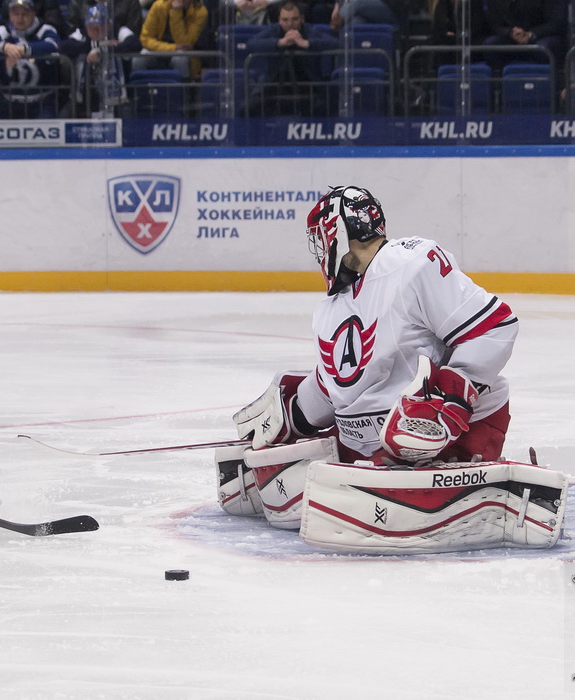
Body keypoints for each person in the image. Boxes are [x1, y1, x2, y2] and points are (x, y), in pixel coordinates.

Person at [221, 185, 522, 543]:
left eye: (322, 237)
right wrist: (292, 412)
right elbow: (341, 384)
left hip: (445, 436)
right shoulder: (330, 308)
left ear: (340, 230)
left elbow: (494, 327)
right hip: (372, 450)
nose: (320, 249)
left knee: (405, 436)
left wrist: (450, 393)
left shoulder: (412, 263)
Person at [246, 0, 338, 116]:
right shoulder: (273, 30)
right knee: (248, 108)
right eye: (285, 20)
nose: (290, 24)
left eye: (295, 19)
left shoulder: (310, 30)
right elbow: (251, 44)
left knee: (326, 106)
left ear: (302, 19)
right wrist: (279, 42)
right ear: (279, 20)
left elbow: (335, 43)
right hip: (274, 83)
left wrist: (307, 43)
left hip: (308, 85)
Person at [0, 0, 62, 118]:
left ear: (33, 14)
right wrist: (4, 47)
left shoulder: (45, 30)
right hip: (7, 101)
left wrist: (25, 49)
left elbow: (53, 45)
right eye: (16, 14)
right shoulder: (3, 31)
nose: (20, 18)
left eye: (24, 14)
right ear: (9, 15)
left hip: (42, 100)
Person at [61, 4, 139, 116]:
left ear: (109, 24)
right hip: (84, 96)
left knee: (127, 121)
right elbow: (64, 47)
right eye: (90, 27)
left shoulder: (120, 30)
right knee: (64, 115)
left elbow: (135, 44)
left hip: (119, 99)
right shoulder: (82, 34)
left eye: (99, 26)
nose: (95, 31)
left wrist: (106, 50)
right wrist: (93, 47)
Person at [136, 0, 208, 80]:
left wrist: (176, 12)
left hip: (183, 55)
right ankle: (139, 91)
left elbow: (184, 43)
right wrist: (173, 47)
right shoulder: (159, 6)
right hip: (157, 51)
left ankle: (184, 91)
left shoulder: (200, 12)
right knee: (138, 59)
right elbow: (145, 39)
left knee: (180, 58)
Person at [483, 0, 567, 68]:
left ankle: (546, 83)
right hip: (510, 37)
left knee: (544, 48)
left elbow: (556, 23)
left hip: (541, 36)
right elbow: (494, 24)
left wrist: (530, 34)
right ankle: (499, 85)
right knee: (490, 45)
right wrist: (510, 32)